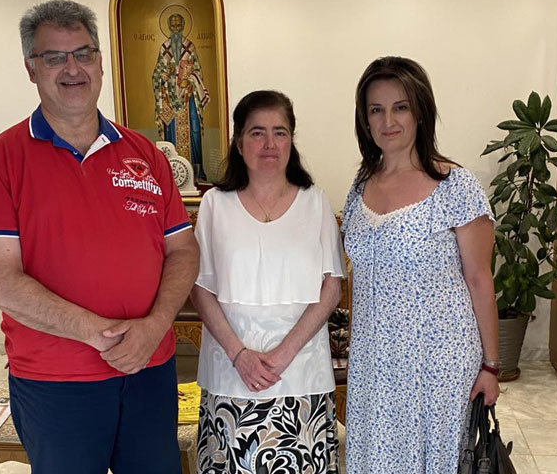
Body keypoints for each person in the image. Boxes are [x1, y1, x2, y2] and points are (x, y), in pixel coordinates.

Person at [0, 0, 199, 474]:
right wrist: (102, 336)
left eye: (84, 53)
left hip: (148, 370)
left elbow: (183, 250)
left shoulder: (145, 155)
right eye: (55, 57)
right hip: (57, 381)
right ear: (31, 68)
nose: (72, 68)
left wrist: (154, 327)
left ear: (100, 63)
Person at [341, 57, 499, 473]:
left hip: (438, 362)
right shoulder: (360, 186)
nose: (388, 121)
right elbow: (360, 279)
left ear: (420, 113)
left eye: (401, 107)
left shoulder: (455, 186)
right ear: (365, 120)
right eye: (376, 109)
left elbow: (480, 279)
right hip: (374, 361)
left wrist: (491, 366)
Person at [190, 90, 344, 474]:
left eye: (280, 132)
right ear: (239, 141)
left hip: (301, 373)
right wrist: (239, 355)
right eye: (257, 132)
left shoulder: (315, 202)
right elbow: (200, 287)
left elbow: (331, 287)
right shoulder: (214, 205)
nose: (270, 144)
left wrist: (284, 353)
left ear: (292, 140)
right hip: (231, 375)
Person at [152, 12, 210, 181]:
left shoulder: (189, 47)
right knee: (171, 131)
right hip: (170, 99)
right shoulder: (164, 48)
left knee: (194, 129)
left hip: (188, 97)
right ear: (169, 28)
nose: (176, 30)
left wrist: (190, 80)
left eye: (179, 26)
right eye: (173, 26)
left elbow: (198, 72)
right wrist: (165, 76)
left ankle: (196, 170)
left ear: (183, 26)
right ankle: (171, 172)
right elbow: (156, 75)